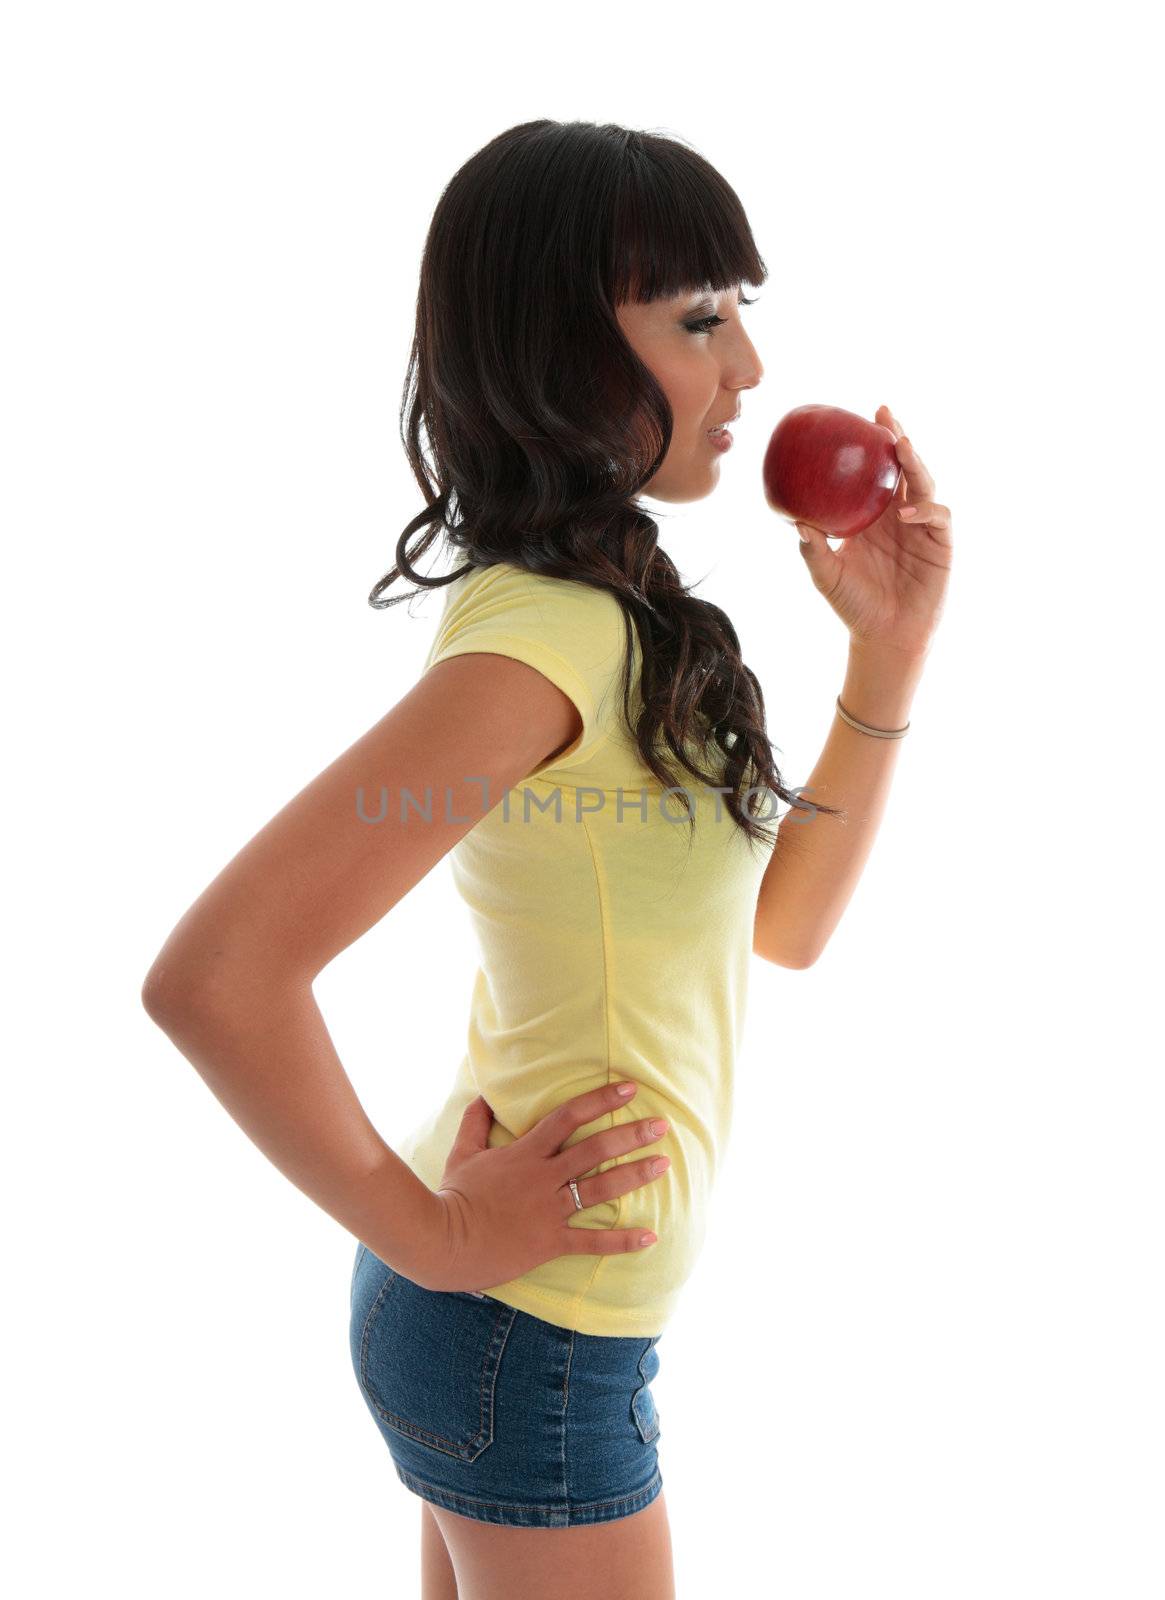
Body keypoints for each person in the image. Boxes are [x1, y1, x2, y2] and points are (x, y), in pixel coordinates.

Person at [141, 120, 952, 1600]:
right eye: (697, 320)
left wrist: (884, 666)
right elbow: (217, 977)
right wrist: (437, 1236)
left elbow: (781, 928)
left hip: (527, 1326)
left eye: (739, 312)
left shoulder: (602, 611)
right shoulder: (553, 637)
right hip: (525, 1330)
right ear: (556, 352)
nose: (750, 371)